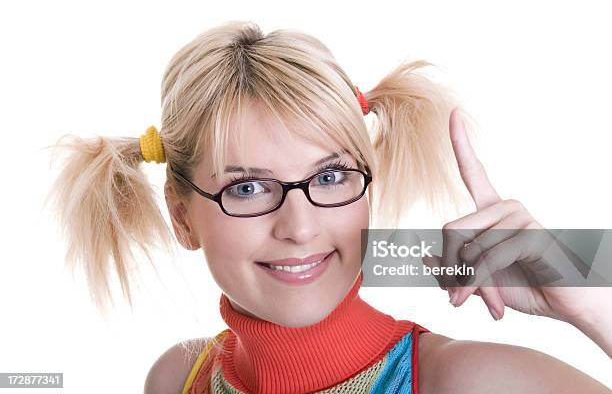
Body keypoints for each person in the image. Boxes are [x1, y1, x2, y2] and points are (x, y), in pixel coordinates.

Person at [44, 20, 611, 393]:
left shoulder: (467, 382)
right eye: (247, 187)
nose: (300, 226)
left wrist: (592, 304)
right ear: (181, 215)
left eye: (331, 176)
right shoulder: (174, 379)